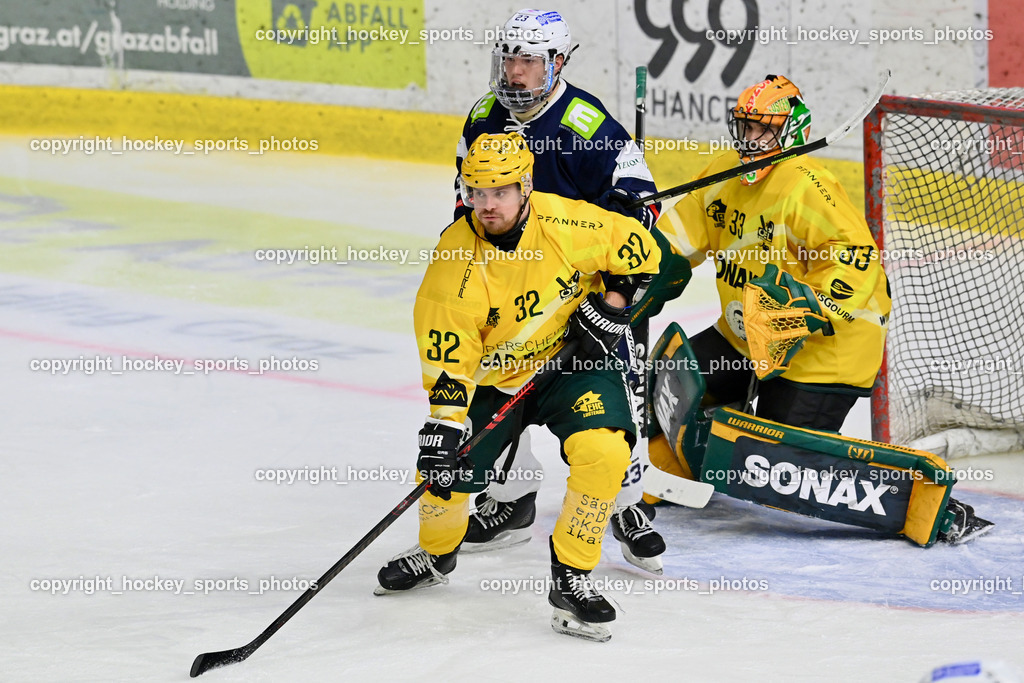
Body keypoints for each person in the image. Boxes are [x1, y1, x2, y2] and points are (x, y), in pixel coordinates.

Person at [638, 74, 992, 544]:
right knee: (669, 378)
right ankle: (691, 461)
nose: (750, 141)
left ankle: (930, 504)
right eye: (744, 128)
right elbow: (678, 238)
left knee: (772, 464)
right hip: (746, 335)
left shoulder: (810, 188)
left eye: (764, 131)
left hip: (826, 349)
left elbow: (858, 261)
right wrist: (637, 262)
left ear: (793, 131)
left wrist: (805, 308)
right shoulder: (723, 171)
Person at [375, 132, 661, 641]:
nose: (487, 205)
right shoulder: (454, 260)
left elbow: (642, 250)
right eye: (476, 191)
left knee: (605, 452)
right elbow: (449, 356)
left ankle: (572, 576)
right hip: (494, 381)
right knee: (442, 475)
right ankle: (437, 555)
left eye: (500, 192)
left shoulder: (566, 220)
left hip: (570, 365)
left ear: (525, 186)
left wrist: (613, 306)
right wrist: (445, 423)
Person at [453, 7, 667, 572]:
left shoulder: (584, 125)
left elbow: (641, 210)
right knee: (501, 390)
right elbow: (467, 200)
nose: (515, 72)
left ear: (558, 62)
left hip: (592, 294)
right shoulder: (483, 116)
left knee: (618, 401)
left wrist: (614, 297)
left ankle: (622, 505)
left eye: (528, 60)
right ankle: (511, 502)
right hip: (518, 295)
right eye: (509, 58)